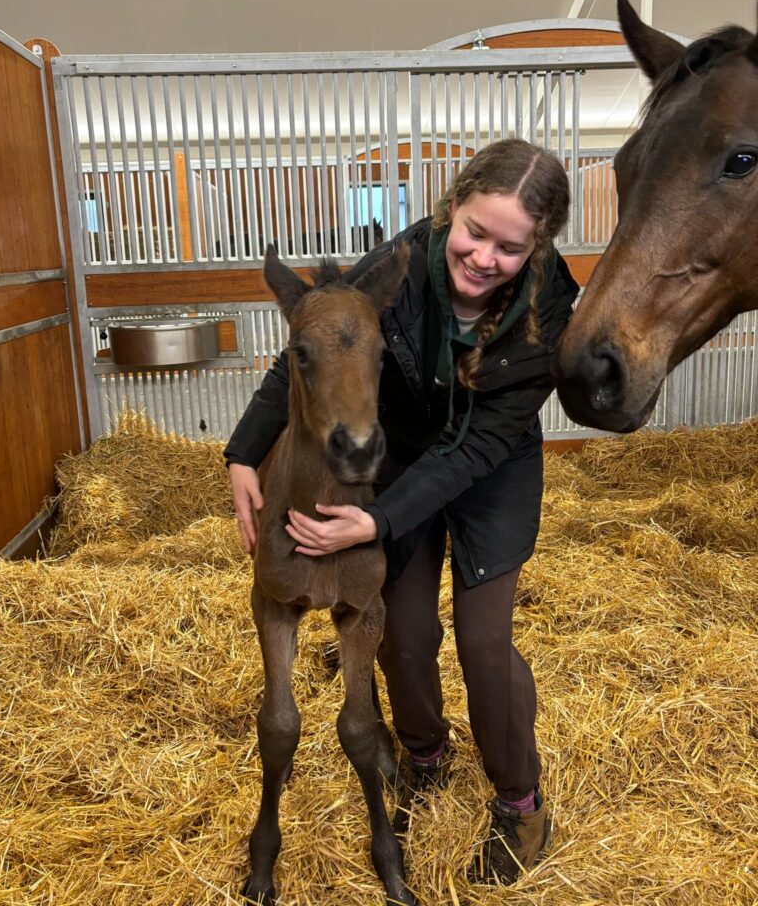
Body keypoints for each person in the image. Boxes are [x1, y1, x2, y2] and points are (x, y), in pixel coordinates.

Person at [225, 139, 579, 884]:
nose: (483, 256)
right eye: (474, 232)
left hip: (490, 468)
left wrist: (377, 523)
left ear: (538, 246)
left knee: (485, 646)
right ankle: (424, 755)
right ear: (452, 208)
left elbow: (477, 447)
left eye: (509, 247)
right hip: (401, 458)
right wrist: (239, 453)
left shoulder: (548, 314)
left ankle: (520, 801)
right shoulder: (397, 266)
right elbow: (310, 343)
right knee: (405, 630)